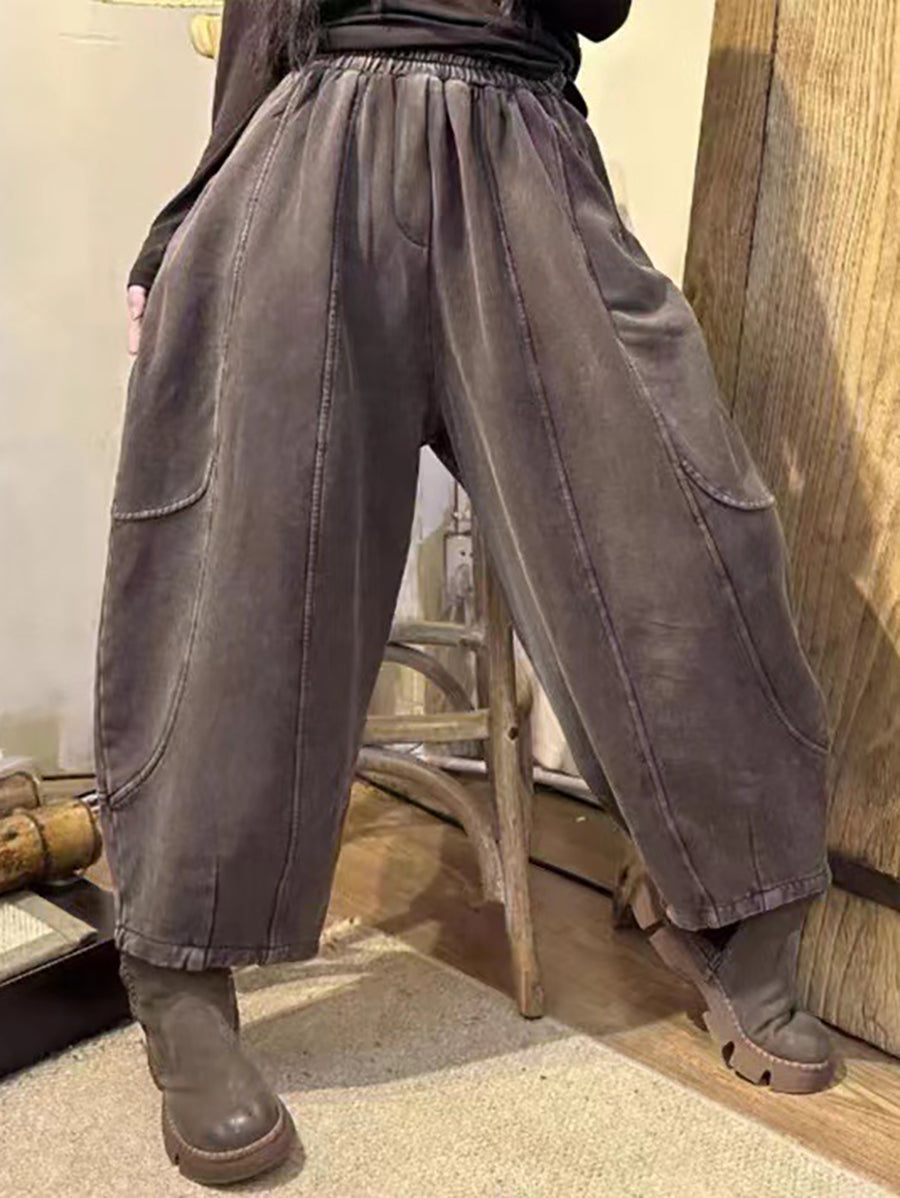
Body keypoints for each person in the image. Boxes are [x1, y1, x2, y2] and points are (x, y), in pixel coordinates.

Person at [95, 0, 837, 1184]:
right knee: (247, 552)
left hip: (524, 139)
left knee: (685, 521)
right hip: (323, 130)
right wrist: (183, 220)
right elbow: (259, 19)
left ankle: (733, 895)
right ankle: (178, 964)